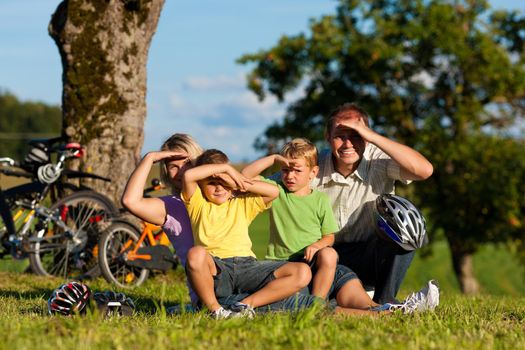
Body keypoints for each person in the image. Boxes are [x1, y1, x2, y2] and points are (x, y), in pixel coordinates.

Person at [312, 103, 434, 304]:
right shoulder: (313, 165)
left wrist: (372, 136)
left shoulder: (378, 160)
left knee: (405, 223)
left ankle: (385, 299)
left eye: (356, 136)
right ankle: (347, 298)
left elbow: (424, 170)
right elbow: (271, 187)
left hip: (371, 255)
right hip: (324, 256)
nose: (348, 144)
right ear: (327, 137)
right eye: (340, 136)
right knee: (325, 299)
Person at [182, 149, 312, 319]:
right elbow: (188, 176)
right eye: (212, 182)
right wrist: (226, 170)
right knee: (195, 254)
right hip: (217, 268)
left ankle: (244, 306)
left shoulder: (242, 203)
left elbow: (274, 191)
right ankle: (216, 311)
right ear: (201, 185)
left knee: (302, 272)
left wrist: (236, 181)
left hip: (247, 266)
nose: (219, 187)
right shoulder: (197, 204)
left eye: (223, 182)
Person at [241, 138, 339, 299]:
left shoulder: (320, 200)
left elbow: (329, 236)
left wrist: (317, 245)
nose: (290, 176)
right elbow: (245, 176)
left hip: (310, 261)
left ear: (313, 173)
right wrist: (273, 158)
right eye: (285, 170)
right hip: (279, 262)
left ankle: (316, 305)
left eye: (297, 171)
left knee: (329, 254)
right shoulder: (276, 190)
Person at [121, 133, 203, 306]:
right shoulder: (171, 207)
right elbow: (130, 201)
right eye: (173, 166)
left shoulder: (219, 194)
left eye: (187, 163)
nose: (181, 171)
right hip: (208, 295)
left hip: (239, 277)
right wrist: (150, 158)